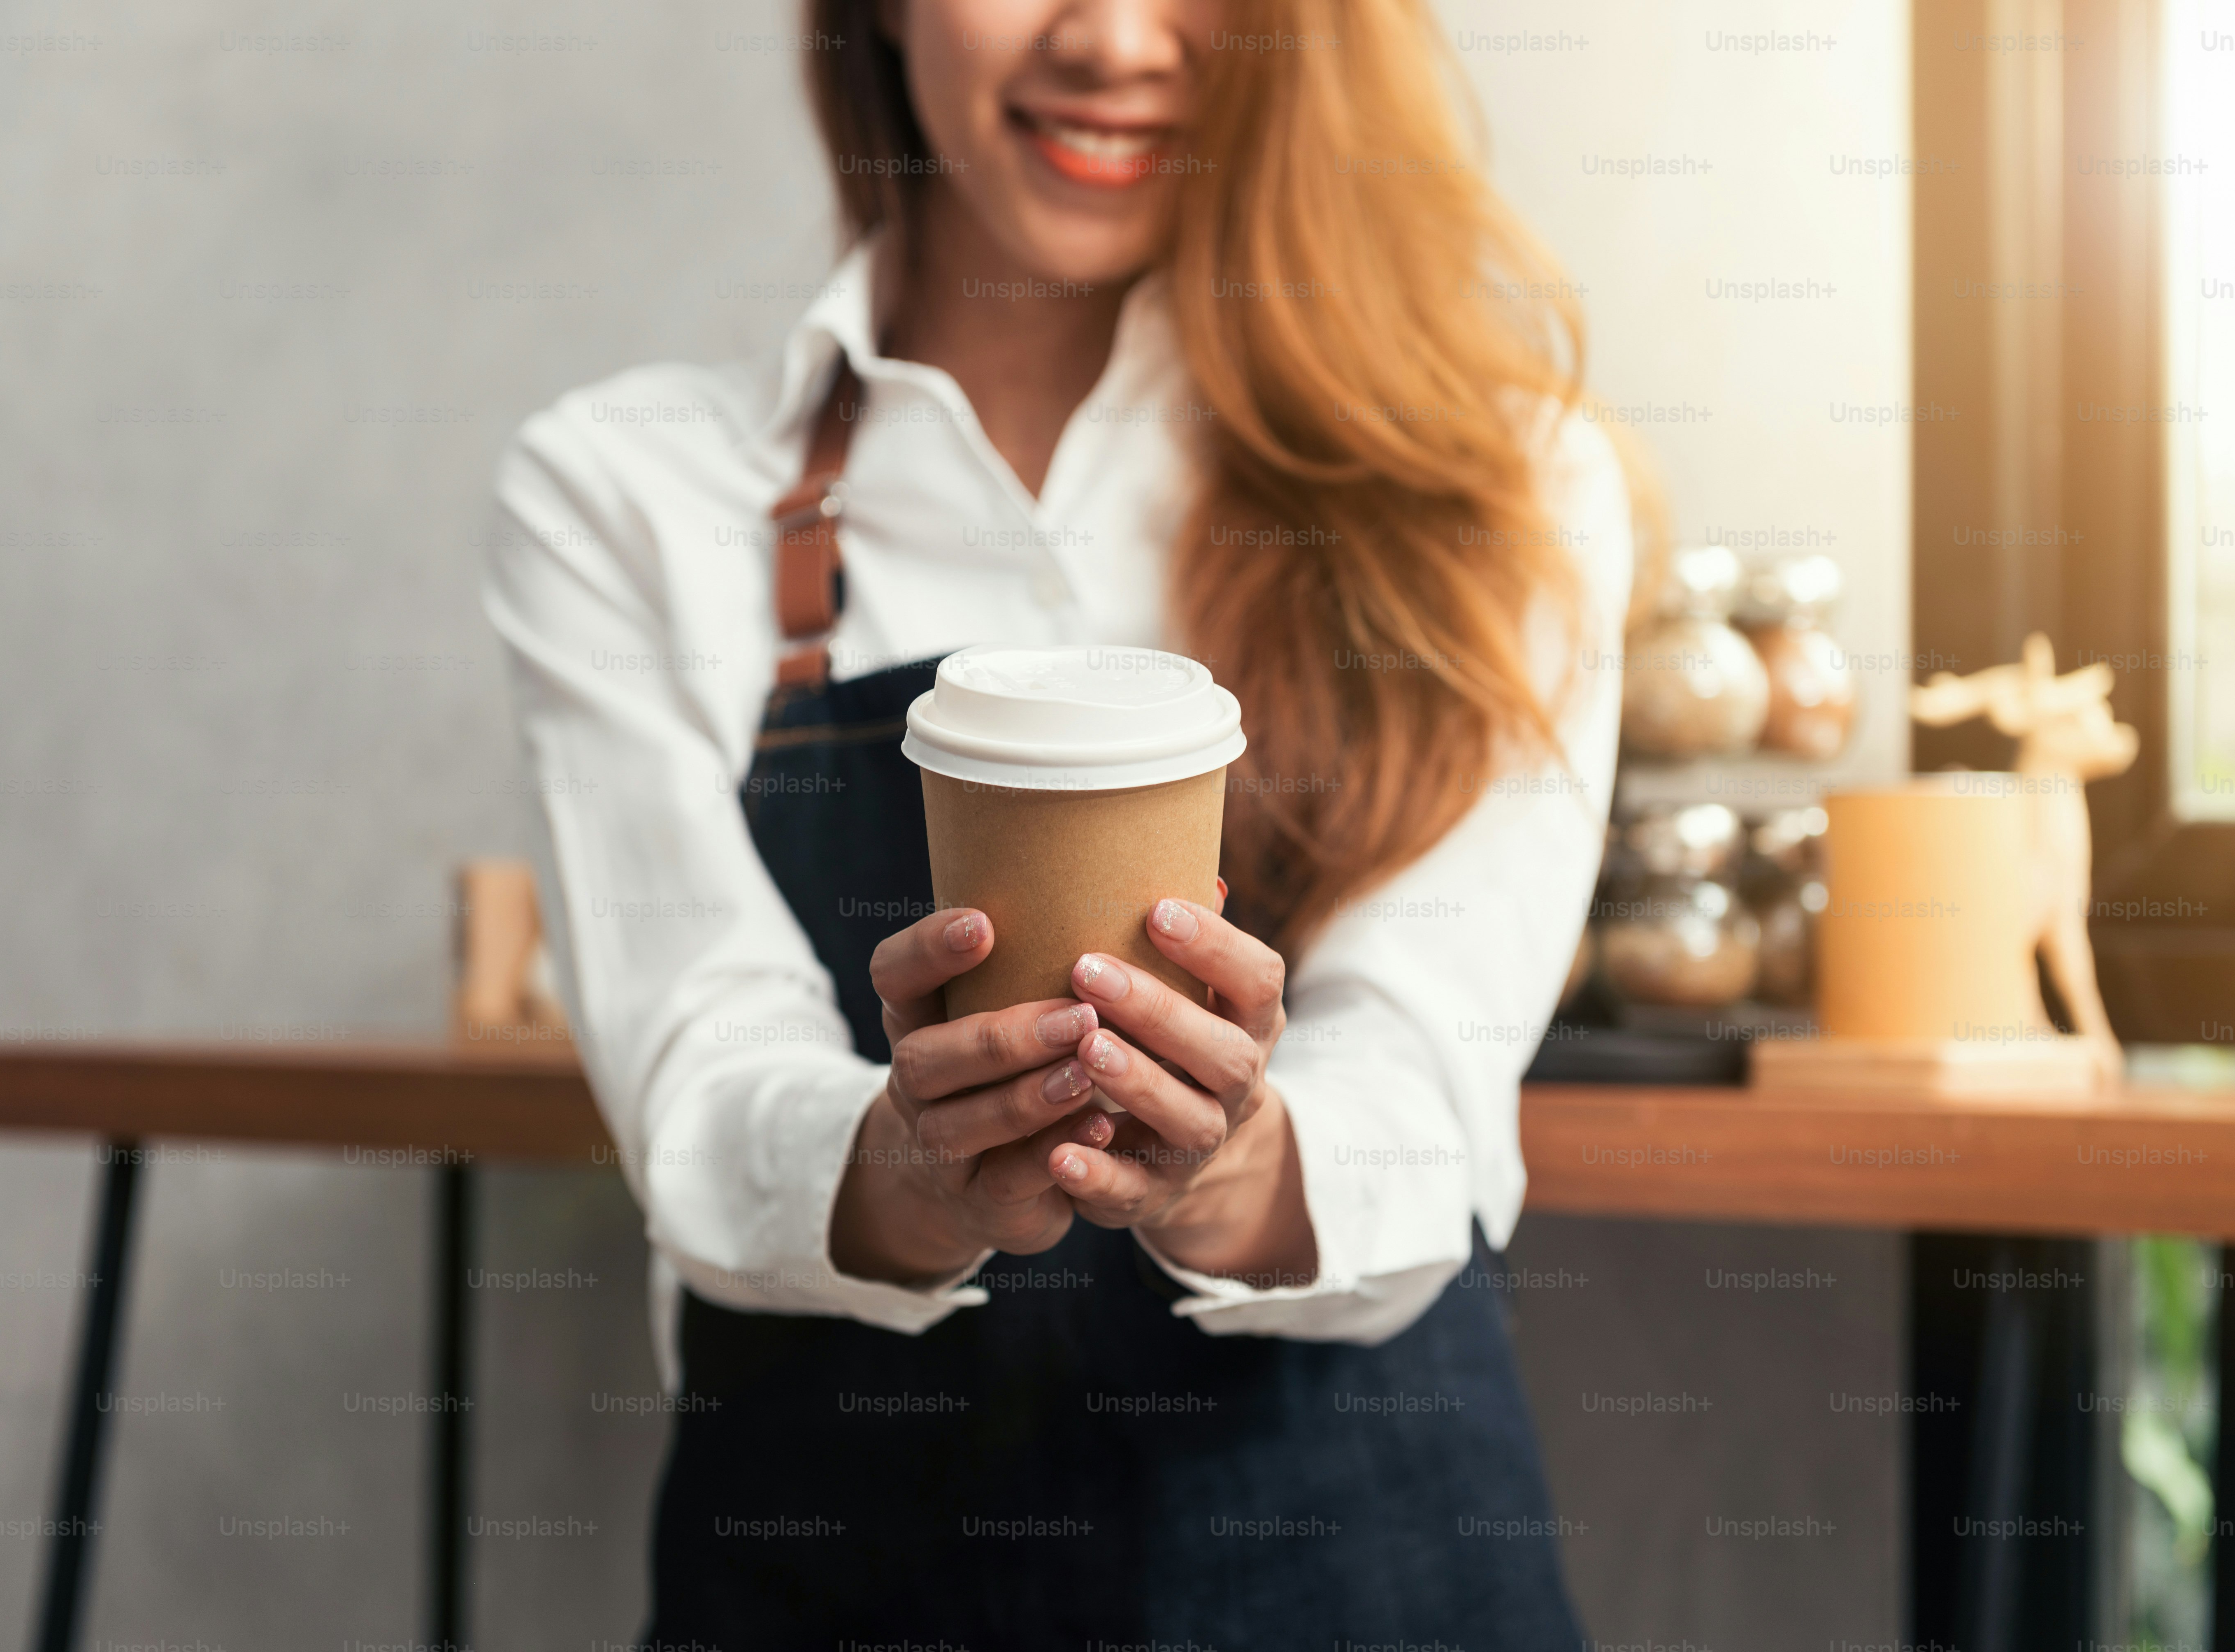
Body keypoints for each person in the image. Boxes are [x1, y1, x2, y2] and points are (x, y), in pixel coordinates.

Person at [485, 0, 1630, 1643]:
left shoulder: (1499, 488)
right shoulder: (626, 494)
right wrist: (911, 1165)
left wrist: (1226, 1169)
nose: (1112, 39)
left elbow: (1422, 1079)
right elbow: (702, 1091)